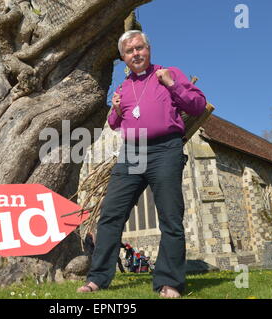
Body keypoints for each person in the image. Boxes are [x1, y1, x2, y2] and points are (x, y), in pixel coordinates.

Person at [77, 30, 206, 298]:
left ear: (148, 49)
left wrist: (172, 84)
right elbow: (115, 124)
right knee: (111, 214)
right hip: (132, 152)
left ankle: (169, 282)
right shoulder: (123, 87)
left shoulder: (169, 73)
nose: (135, 53)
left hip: (165, 149)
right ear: (123, 57)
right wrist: (115, 110)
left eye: (139, 48)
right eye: (129, 51)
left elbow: (198, 105)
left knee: (170, 217)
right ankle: (98, 278)